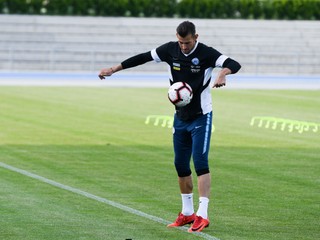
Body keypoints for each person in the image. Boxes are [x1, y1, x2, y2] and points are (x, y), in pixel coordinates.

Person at [99, 21, 241, 233]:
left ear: (196, 37)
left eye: (188, 42)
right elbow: (143, 57)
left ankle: (202, 214)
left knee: (200, 162)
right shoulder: (170, 50)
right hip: (180, 117)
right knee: (180, 165)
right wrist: (115, 68)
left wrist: (222, 73)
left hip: (201, 117)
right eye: (181, 42)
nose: (184, 46)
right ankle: (187, 213)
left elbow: (234, 63)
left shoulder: (206, 53)